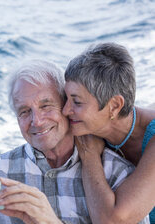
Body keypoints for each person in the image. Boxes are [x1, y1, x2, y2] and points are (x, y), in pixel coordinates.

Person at [0, 60, 148, 224]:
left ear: (66, 106)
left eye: (46, 106)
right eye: (24, 111)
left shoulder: (116, 175)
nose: (37, 121)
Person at [62, 42, 155, 224]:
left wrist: (89, 156)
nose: (65, 110)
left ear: (114, 106)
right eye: (66, 98)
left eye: (77, 102)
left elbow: (113, 221)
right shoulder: (89, 130)